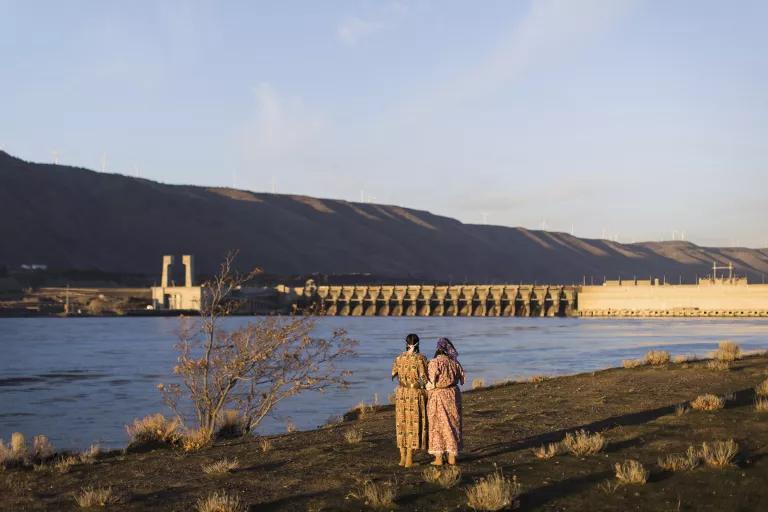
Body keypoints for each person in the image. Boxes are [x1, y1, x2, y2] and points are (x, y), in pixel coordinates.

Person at [391, 333, 429, 467]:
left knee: (402, 423)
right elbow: (425, 379)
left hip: (401, 393)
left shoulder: (398, 357)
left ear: (406, 343)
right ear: (418, 343)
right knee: (413, 424)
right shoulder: (421, 358)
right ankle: (409, 460)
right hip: (414, 393)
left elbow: (393, 374)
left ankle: (402, 459)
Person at [426, 337, 465, 466]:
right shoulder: (455, 362)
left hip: (439, 395)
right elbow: (462, 380)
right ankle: (452, 457)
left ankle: (438, 458)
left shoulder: (434, 363)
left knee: (437, 425)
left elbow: (430, 382)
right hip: (453, 395)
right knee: (453, 423)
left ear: (438, 348)